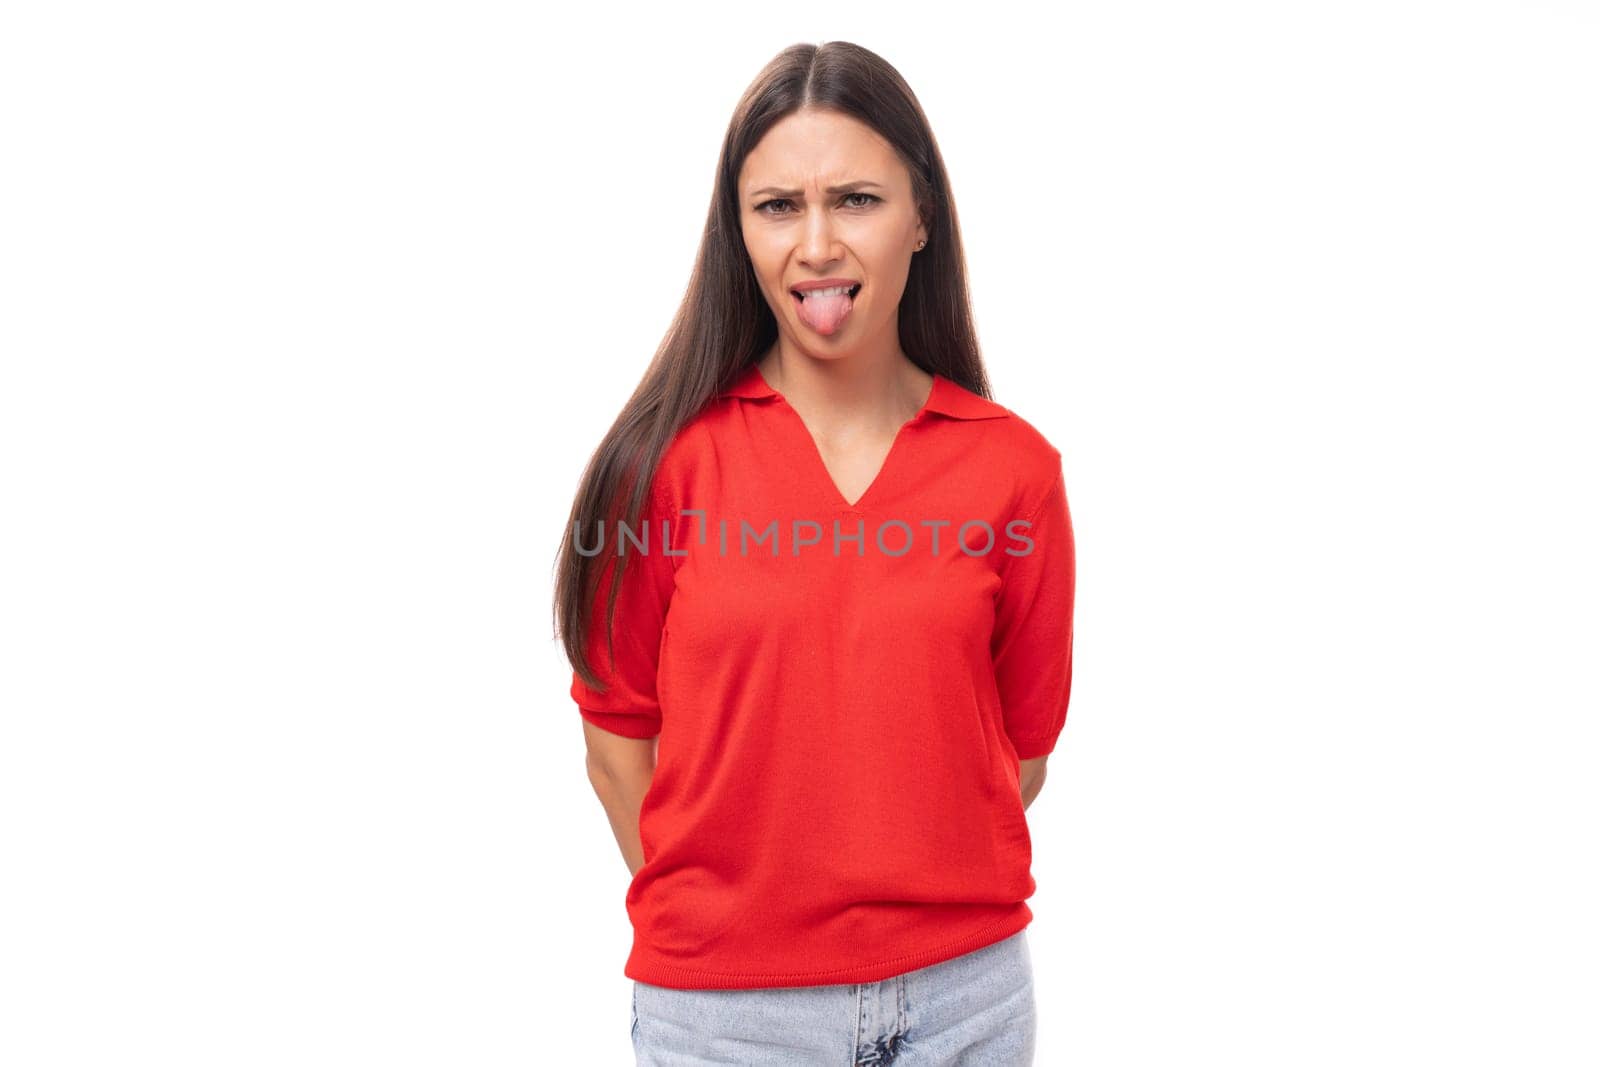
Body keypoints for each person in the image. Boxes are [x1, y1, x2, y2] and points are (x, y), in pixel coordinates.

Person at [553, 40, 1076, 1066]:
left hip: (964, 1001)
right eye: (779, 206)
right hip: (724, 1017)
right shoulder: (658, 469)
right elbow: (617, 745)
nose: (818, 242)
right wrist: (738, 918)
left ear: (921, 217)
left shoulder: (1014, 471)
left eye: (858, 200)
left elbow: (1018, 753)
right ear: (737, 231)